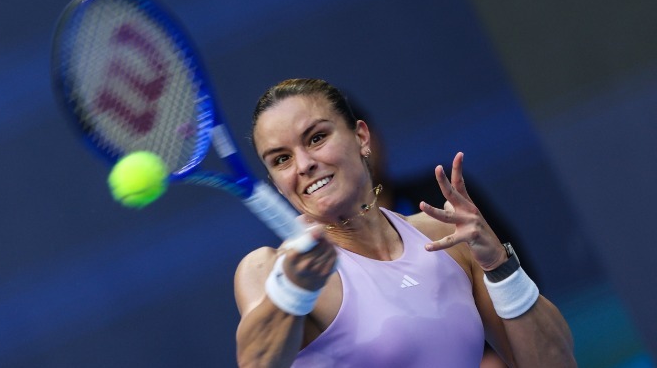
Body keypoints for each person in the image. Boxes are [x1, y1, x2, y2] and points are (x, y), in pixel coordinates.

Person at [234, 79, 575, 367]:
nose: (304, 164)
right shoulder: (267, 270)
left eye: (316, 138)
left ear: (362, 138)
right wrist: (292, 290)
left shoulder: (445, 236)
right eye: (282, 159)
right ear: (275, 181)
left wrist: (499, 265)